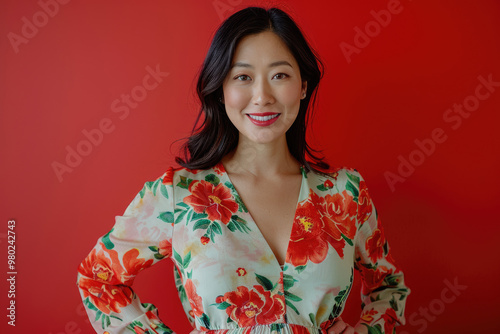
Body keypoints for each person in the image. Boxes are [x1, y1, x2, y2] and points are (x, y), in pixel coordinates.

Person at [76, 6, 410, 334]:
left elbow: (389, 287)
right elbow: (97, 278)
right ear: (222, 90)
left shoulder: (345, 193)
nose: (262, 96)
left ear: (303, 86)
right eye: (243, 77)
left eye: (279, 75)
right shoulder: (181, 195)